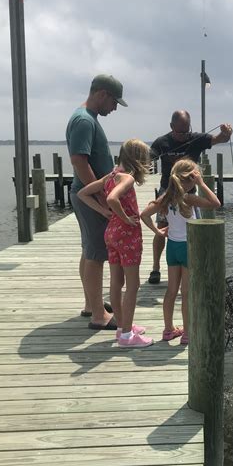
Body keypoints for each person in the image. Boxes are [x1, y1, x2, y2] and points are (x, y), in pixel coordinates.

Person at [78, 139, 157, 348]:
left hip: (111, 233)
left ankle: (122, 327)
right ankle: (127, 335)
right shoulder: (127, 178)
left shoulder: (110, 176)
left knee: (116, 282)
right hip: (127, 235)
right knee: (133, 285)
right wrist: (125, 217)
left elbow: (82, 193)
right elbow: (113, 199)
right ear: (138, 159)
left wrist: (103, 212)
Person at [66, 74, 128, 330]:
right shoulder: (83, 121)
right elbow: (79, 161)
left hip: (87, 195)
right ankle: (98, 316)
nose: (114, 108)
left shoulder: (86, 118)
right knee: (96, 255)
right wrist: (101, 195)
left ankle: (92, 304)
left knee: (89, 250)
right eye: (114, 102)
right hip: (90, 197)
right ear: (102, 94)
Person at [140, 158, 220, 345]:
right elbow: (215, 203)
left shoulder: (166, 197)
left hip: (172, 248)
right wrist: (201, 183)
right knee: (186, 293)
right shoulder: (188, 198)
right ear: (190, 178)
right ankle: (187, 333)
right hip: (188, 247)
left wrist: (158, 231)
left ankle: (168, 330)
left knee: (171, 291)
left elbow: (143, 214)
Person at [147, 109, 232, 284]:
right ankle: (155, 267)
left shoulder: (196, 139)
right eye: (181, 132)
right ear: (171, 126)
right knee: (162, 226)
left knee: (196, 228)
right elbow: (146, 160)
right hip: (168, 190)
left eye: (187, 131)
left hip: (189, 193)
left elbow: (220, 139)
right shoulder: (161, 142)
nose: (185, 135)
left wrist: (226, 132)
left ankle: (194, 267)